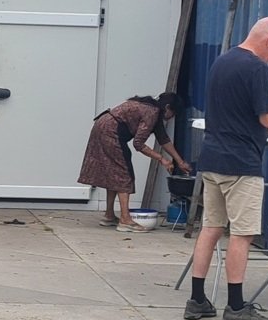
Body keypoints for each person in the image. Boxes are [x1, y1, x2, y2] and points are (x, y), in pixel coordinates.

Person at [185, 17, 268, 320]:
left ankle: (197, 299)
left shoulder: (223, 61)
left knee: (211, 228)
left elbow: (240, 102)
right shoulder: (257, 68)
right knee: (242, 235)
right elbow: (267, 119)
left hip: (212, 159)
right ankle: (236, 306)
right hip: (241, 163)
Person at [78, 92, 191, 232]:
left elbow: (163, 139)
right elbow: (138, 144)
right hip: (111, 132)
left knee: (114, 173)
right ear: (167, 107)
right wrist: (162, 159)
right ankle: (125, 220)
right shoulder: (152, 113)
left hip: (102, 126)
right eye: (173, 113)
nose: (172, 117)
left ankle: (109, 215)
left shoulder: (151, 109)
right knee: (124, 175)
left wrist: (180, 162)